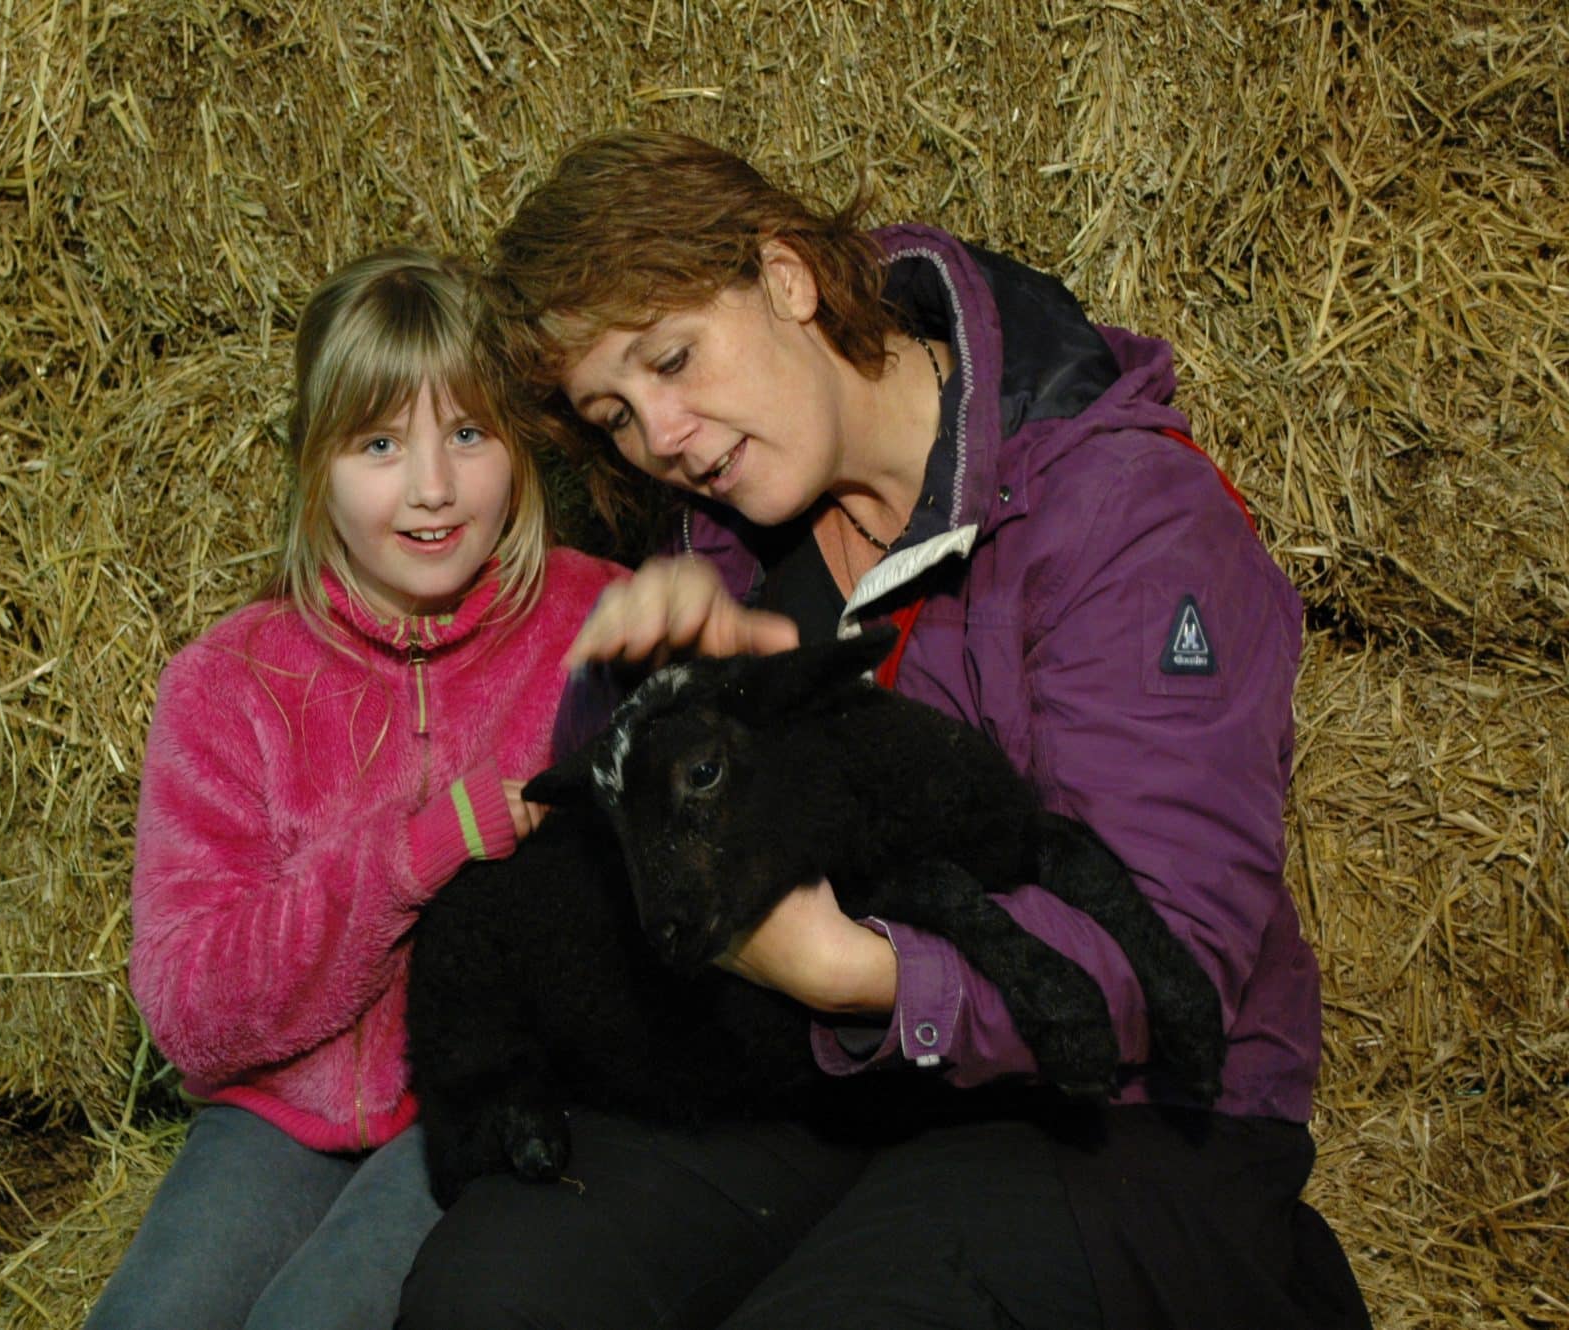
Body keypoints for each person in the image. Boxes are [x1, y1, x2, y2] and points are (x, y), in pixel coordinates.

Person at [397, 132, 1372, 1330]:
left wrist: (858, 973)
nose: (662, 436)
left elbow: (1169, 940)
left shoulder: (1119, 517)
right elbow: (635, 842)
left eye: (672, 358)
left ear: (787, 277)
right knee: (490, 1298)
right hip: (819, 1073)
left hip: (1110, 1103)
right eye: (615, 414)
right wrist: (634, 689)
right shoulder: (720, 531)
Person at [83, 248, 624, 1330]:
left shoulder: (599, 628)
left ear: (517, 447)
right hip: (277, 1115)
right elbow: (190, 1013)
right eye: (379, 443)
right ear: (313, 465)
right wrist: (414, 853)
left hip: (481, 1098)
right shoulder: (229, 684)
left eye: (467, 434)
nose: (432, 488)